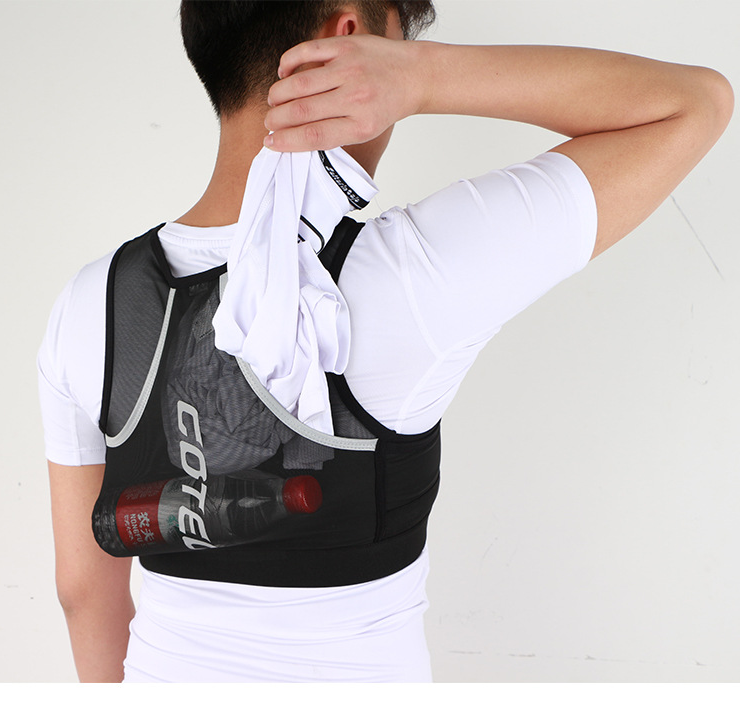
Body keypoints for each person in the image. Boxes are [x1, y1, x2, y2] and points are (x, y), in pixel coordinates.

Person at [38, 0, 733, 683]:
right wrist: (426, 78)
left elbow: (83, 589)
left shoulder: (90, 302)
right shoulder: (409, 275)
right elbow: (694, 103)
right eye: (396, 48)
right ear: (347, 35)